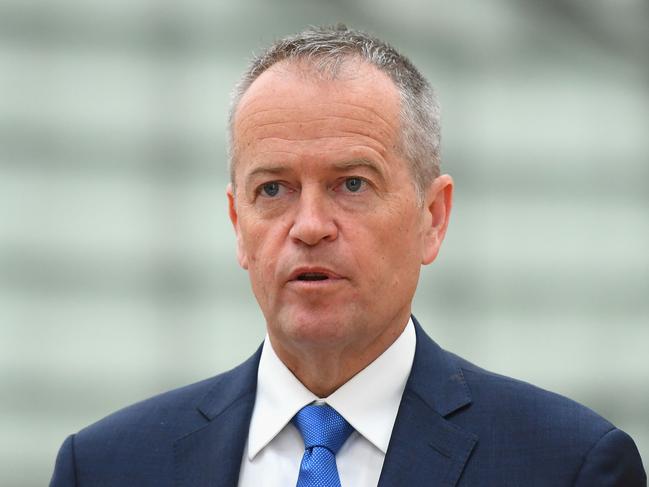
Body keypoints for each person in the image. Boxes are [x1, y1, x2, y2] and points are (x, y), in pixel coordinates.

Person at [50, 25, 646, 487]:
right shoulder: (106, 466)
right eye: (273, 190)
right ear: (238, 225)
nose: (308, 227)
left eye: (352, 184)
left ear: (432, 219)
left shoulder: (566, 465)